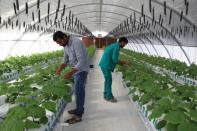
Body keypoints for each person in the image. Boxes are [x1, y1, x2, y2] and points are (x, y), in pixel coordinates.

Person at [53, 31, 89, 124]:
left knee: (79, 91)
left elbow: (81, 61)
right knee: (78, 91)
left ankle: (78, 116)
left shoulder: (76, 42)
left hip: (82, 69)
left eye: (60, 42)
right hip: (76, 70)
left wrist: (70, 73)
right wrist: (60, 68)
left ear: (64, 37)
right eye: (57, 43)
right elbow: (65, 58)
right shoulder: (66, 45)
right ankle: (79, 109)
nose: (59, 44)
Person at [99, 37, 130, 103]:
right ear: (122, 42)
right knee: (109, 81)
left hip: (104, 64)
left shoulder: (114, 45)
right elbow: (114, 59)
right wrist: (124, 62)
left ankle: (106, 94)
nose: (124, 46)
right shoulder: (117, 47)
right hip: (106, 65)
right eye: (124, 44)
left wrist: (121, 63)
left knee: (107, 80)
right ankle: (109, 97)